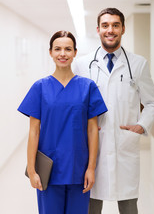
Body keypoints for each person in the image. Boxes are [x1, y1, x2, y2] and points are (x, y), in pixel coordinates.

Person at [72, 8, 154, 214]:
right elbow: (74, 105)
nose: (110, 30)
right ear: (98, 30)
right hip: (92, 148)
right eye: (105, 25)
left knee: (129, 207)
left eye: (115, 25)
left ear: (123, 29)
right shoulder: (83, 64)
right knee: (90, 206)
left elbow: (153, 103)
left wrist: (141, 125)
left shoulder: (138, 64)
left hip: (124, 146)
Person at [17, 30, 107, 214]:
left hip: (78, 169)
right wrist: (32, 170)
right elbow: (34, 131)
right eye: (57, 49)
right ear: (50, 52)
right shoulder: (40, 87)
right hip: (48, 170)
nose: (63, 54)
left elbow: (92, 130)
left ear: (75, 52)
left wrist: (91, 168)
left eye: (68, 49)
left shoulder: (87, 87)